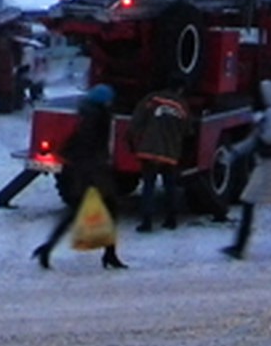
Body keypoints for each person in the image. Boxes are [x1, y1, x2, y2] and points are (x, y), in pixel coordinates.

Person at [32, 83, 128, 270]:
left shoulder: (90, 113)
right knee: (108, 210)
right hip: (92, 172)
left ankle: (48, 248)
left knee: (82, 212)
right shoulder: (96, 117)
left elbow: (76, 142)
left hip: (87, 171)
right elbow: (87, 143)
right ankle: (109, 255)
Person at [221, 78, 271, 260]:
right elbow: (254, 139)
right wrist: (235, 152)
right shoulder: (268, 112)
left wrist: (258, 125)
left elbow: (267, 138)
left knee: (254, 202)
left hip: (270, 166)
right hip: (268, 165)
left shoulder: (269, 114)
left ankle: (240, 246)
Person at [128, 76, 190, 232]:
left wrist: (132, 141)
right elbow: (188, 130)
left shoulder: (152, 99)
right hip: (170, 153)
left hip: (149, 150)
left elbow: (136, 121)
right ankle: (171, 219)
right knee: (170, 186)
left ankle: (147, 222)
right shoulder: (182, 106)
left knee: (148, 186)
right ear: (181, 88)